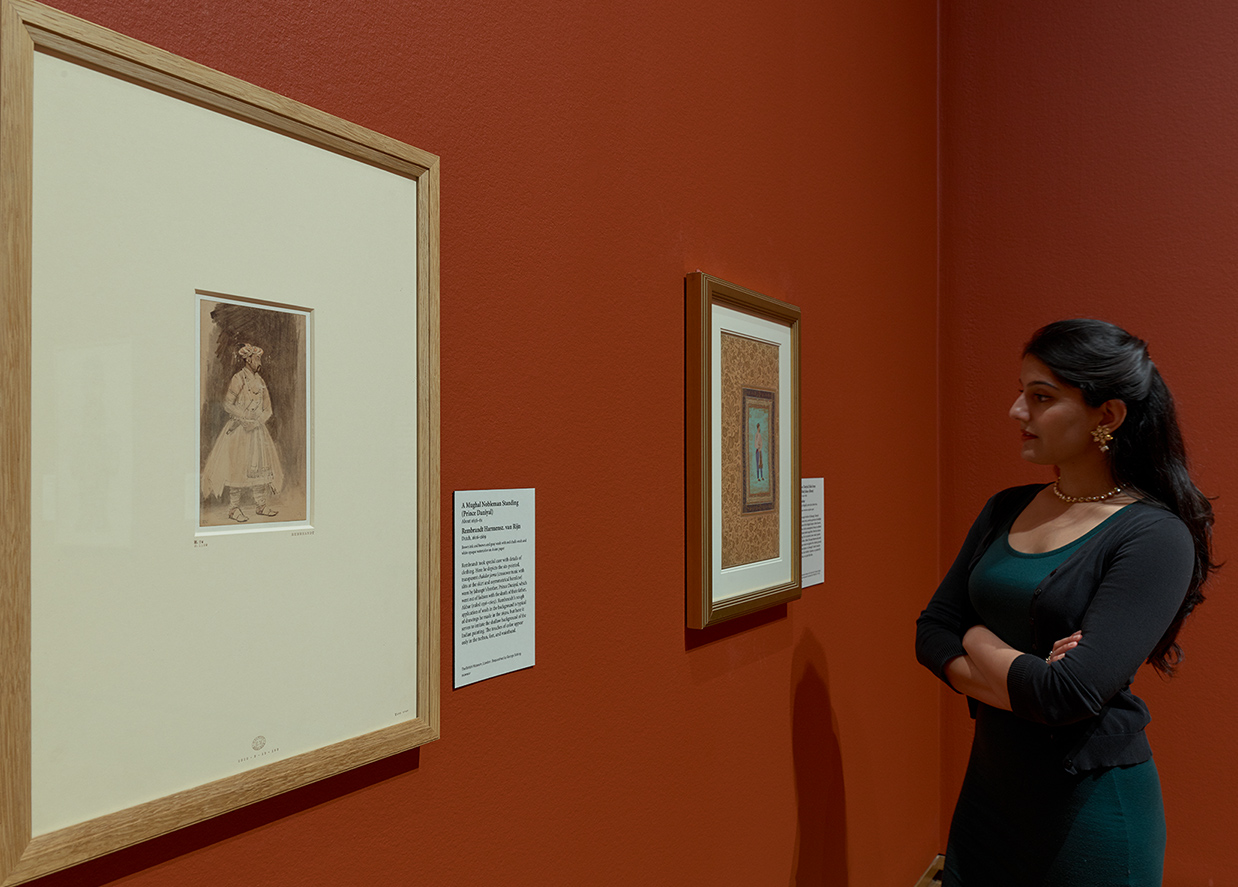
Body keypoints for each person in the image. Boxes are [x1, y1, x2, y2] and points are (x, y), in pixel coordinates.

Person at [916, 319, 1215, 886]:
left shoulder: (1153, 536)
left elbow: (1068, 695)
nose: (1016, 411)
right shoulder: (1005, 507)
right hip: (989, 797)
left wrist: (975, 637)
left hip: (1089, 813)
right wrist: (1021, 673)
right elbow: (930, 631)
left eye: (1041, 397)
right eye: (1021, 392)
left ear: (1108, 416)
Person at [201, 344, 284, 522]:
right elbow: (228, 404)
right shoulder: (238, 378)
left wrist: (257, 421)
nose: (259, 362)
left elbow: (268, 409)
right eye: (257, 359)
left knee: (260, 468)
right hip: (239, 430)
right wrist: (246, 417)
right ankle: (233, 508)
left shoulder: (260, 381)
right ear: (248, 360)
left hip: (256, 431)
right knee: (237, 467)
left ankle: (261, 505)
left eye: (260, 359)